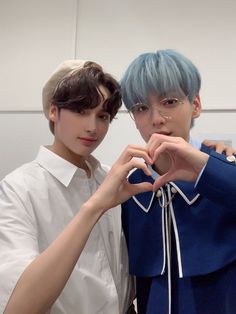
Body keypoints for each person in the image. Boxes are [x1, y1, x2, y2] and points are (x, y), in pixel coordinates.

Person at [0, 60, 154, 314]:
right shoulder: (19, 189)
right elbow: (18, 308)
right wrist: (95, 207)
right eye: (81, 111)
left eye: (103, 116)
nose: (92, 127)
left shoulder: (111, 178)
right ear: (53, 111)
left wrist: (214, 157)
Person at [120, 49, 236, 314]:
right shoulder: (129, 189)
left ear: (195, 105)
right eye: (140, 108)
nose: (156, 119)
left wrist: (215, 169)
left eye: (170, 102)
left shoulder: (224, 169)